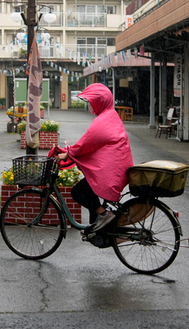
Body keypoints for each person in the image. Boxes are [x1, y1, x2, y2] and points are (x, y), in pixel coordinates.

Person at [57, 83, 134, 239]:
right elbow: (92, 143)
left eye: (92, 102)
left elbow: (87, 142)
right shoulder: (109, 116)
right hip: (114, 168)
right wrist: (72, 150)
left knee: (78, 192)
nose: (91, 105)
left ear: (100, 101)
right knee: (89, 190)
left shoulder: (104, 120)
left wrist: (68, 153)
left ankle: (104, 215)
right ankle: (96, 231)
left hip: (111, 171)